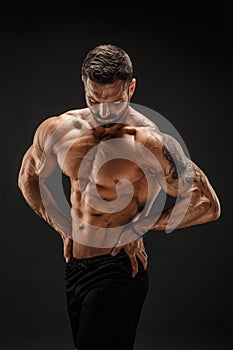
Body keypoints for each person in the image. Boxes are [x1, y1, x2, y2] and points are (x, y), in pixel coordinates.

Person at [18, 44, 221, 350]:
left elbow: (207, 204)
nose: (103, 113)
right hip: (75, 270)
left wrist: (138, 228)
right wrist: (60, 225)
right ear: (84, 85)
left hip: (117, 270)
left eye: (114, 103)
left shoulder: (149, 140)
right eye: (94, 100)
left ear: (131, 87)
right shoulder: (58, 129)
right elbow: (28, 177)